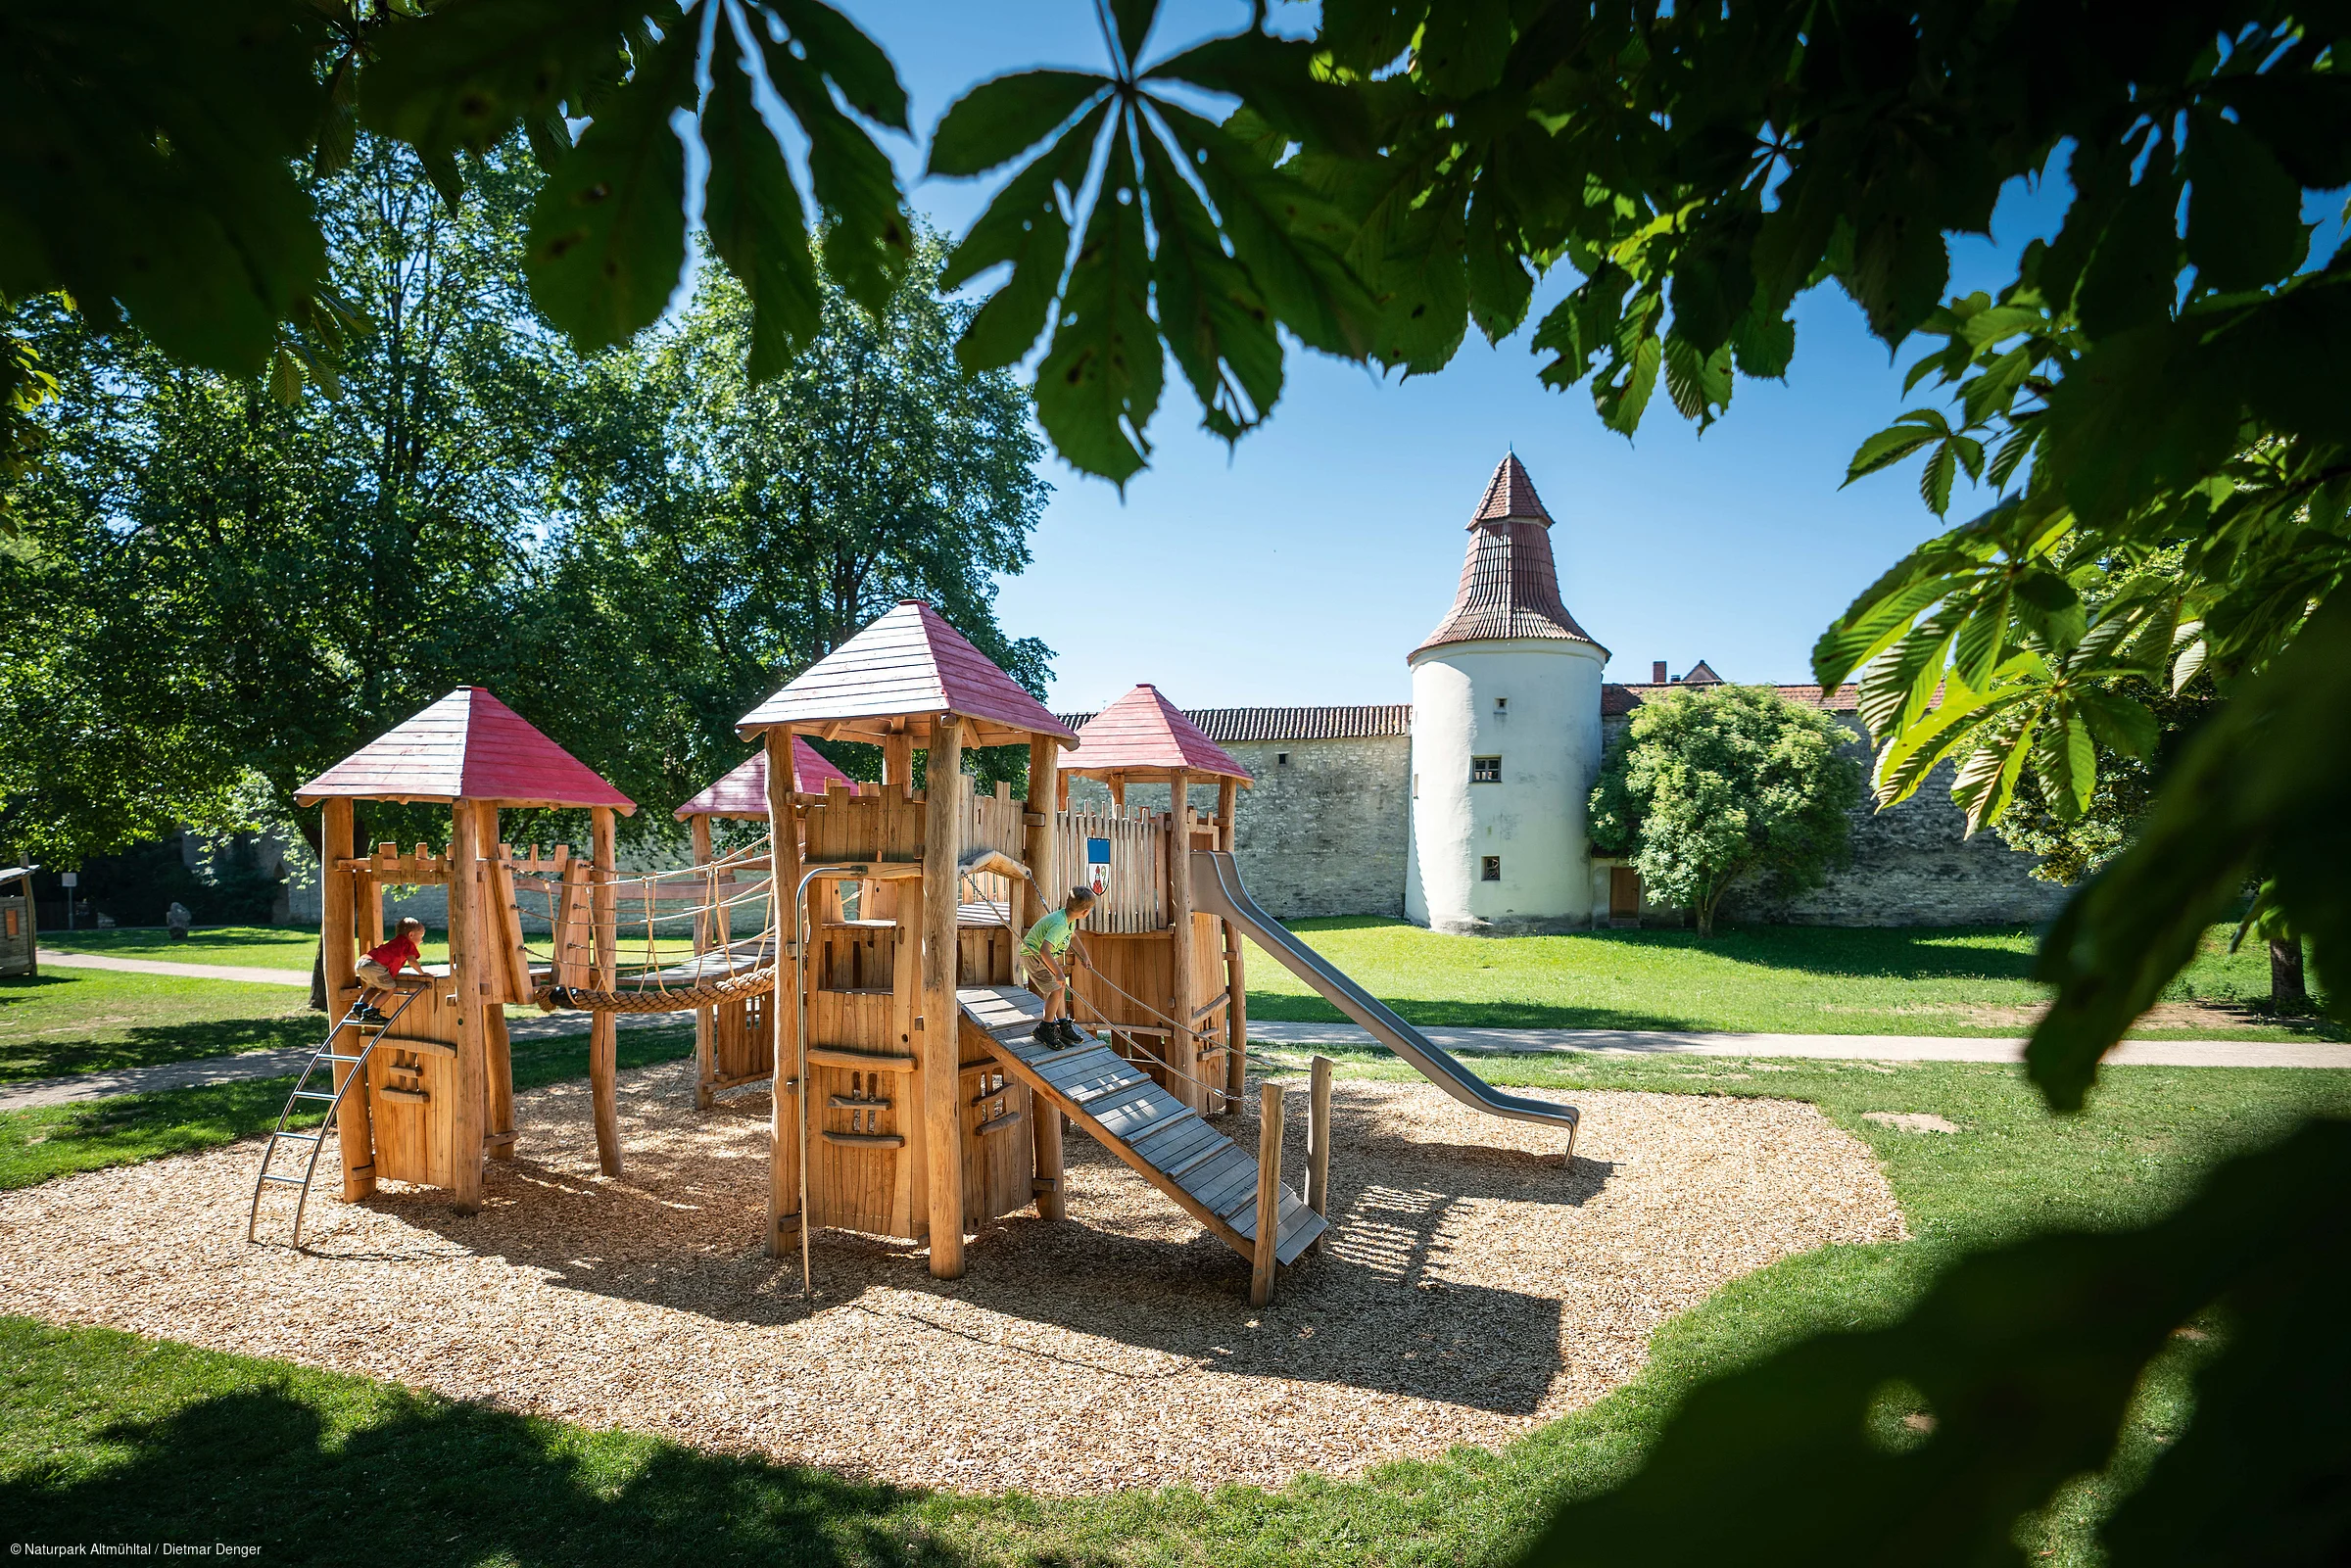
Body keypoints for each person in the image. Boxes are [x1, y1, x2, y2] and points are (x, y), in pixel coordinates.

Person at [1020, 885, 1096, 1048]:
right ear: (1085, 912)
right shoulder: (1059, 925)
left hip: (1041, 957)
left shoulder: (1068, 919)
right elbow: (1044, 951)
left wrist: (1084, 956)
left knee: (1060, 988)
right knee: (1057, 989)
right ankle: (1045, 1028)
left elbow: (1073, 937)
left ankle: (1062, 1024)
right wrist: (1058, 972)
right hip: (1033, 957)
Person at [354, 916, 428, 1023]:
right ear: (411, 935)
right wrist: (422, 973)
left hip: (362, 962)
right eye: (421, 937)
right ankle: (371, 1012)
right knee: (389, 990)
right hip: (375, 965)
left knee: (375, 987)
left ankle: (359, 1007)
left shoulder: (396, 942)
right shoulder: (408, 944)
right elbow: (412, 961)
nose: (421, 940)